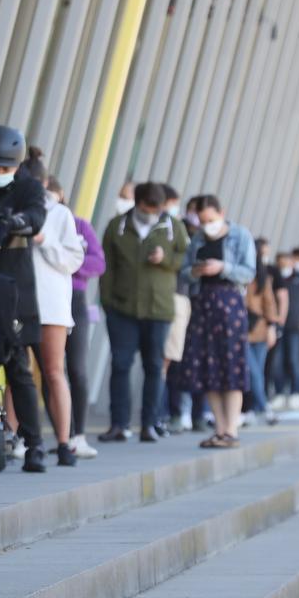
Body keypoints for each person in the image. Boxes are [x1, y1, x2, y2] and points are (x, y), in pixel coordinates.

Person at [0, 125, 48, 472]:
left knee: (19, 365)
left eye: (6, 168)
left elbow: (36, 216)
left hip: (15, 283)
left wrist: (12, 221)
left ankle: (35, 444)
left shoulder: (29, 185)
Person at [100, 182, 189, 443]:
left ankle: (149, 424)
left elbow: (186, 259)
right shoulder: (117, 226)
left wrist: (166, 260)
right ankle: (119, 424)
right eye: (146, 208)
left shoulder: (173, 228)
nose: (151, 213)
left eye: (156, 209)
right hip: (122, 309)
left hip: (158, 309)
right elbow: (108, 268)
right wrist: (108, 304)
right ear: (136, 204)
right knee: (120, 365)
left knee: (153, 366)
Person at [178, 195, 256, 449]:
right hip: (203, 304)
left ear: (222, 213)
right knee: (207, 366)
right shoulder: (198, 239)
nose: (206, 225)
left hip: (229, 304)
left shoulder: (241, 235)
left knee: (232, 365)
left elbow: (248, 272)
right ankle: (220, 428)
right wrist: (197, 271)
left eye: (210, 219)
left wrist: (222, 267)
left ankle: (231, 429)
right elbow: (184, 271)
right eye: (202, 221)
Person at [24, 157, 84, 467]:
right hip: (19, 300)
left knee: (53, 371)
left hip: (51, 304)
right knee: (17, 370)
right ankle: (15, 438)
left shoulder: (59, 214)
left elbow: (74, 260)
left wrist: (44, 240)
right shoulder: (14, 208)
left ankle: (64, 441)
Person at [56, 178, 105, 459]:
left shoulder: (80, 226)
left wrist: (68, 264)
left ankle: (78, 434)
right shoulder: (39, 226)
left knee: (76, 368)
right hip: (46, 298)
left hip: (74, 299)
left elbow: (98, 262)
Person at [161, 185, 191, 436]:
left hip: (177, 298)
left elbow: (186, 263)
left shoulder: (177, 227)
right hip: (165, 300)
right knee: (161, 362)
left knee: (170, 360)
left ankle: (173, 413)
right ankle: (162, 414)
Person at [270, 249, 299, 410]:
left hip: (295, 326)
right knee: (277, 362)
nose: (284, 266)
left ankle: (296, 393)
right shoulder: (275, 278)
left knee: (294, 360)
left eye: (286, 262)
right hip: (278, 326)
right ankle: (280, 392)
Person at [245, 239, 280, 424]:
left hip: (259, 329)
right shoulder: (239, 275)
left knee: (256, 371)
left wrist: (272, 327)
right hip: (241, 330)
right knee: (253, 372)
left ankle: (254, 408)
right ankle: (264, 407)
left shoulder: (263, 277)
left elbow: (269, 303)